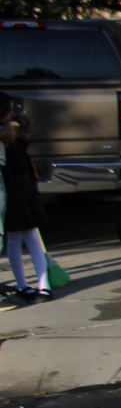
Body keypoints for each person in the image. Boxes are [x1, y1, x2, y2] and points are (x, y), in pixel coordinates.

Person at [0, 93, 51, 306]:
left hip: (21, 185)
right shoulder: (4, 132)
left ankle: (43, 284)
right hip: (11, 187)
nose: (14, 114)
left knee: (29, 234)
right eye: (11, 110)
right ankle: (24, 285)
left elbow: (17, 151)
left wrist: (25, 135)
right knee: (15, 237)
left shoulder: (8, 132)